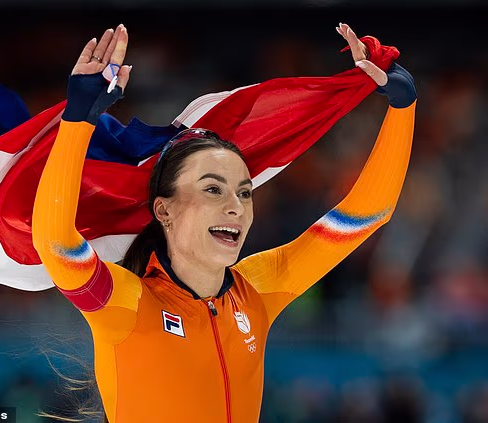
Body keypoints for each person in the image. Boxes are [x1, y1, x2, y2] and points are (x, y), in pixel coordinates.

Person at [31, 23, 417, 423]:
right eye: (213, 189)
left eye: (245, 193)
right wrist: (78, 121)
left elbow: (367, 214)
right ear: (164, 210)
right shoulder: (128, 304)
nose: (236, 206)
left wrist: (402, 107)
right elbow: (56, 245)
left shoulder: (257, 289)